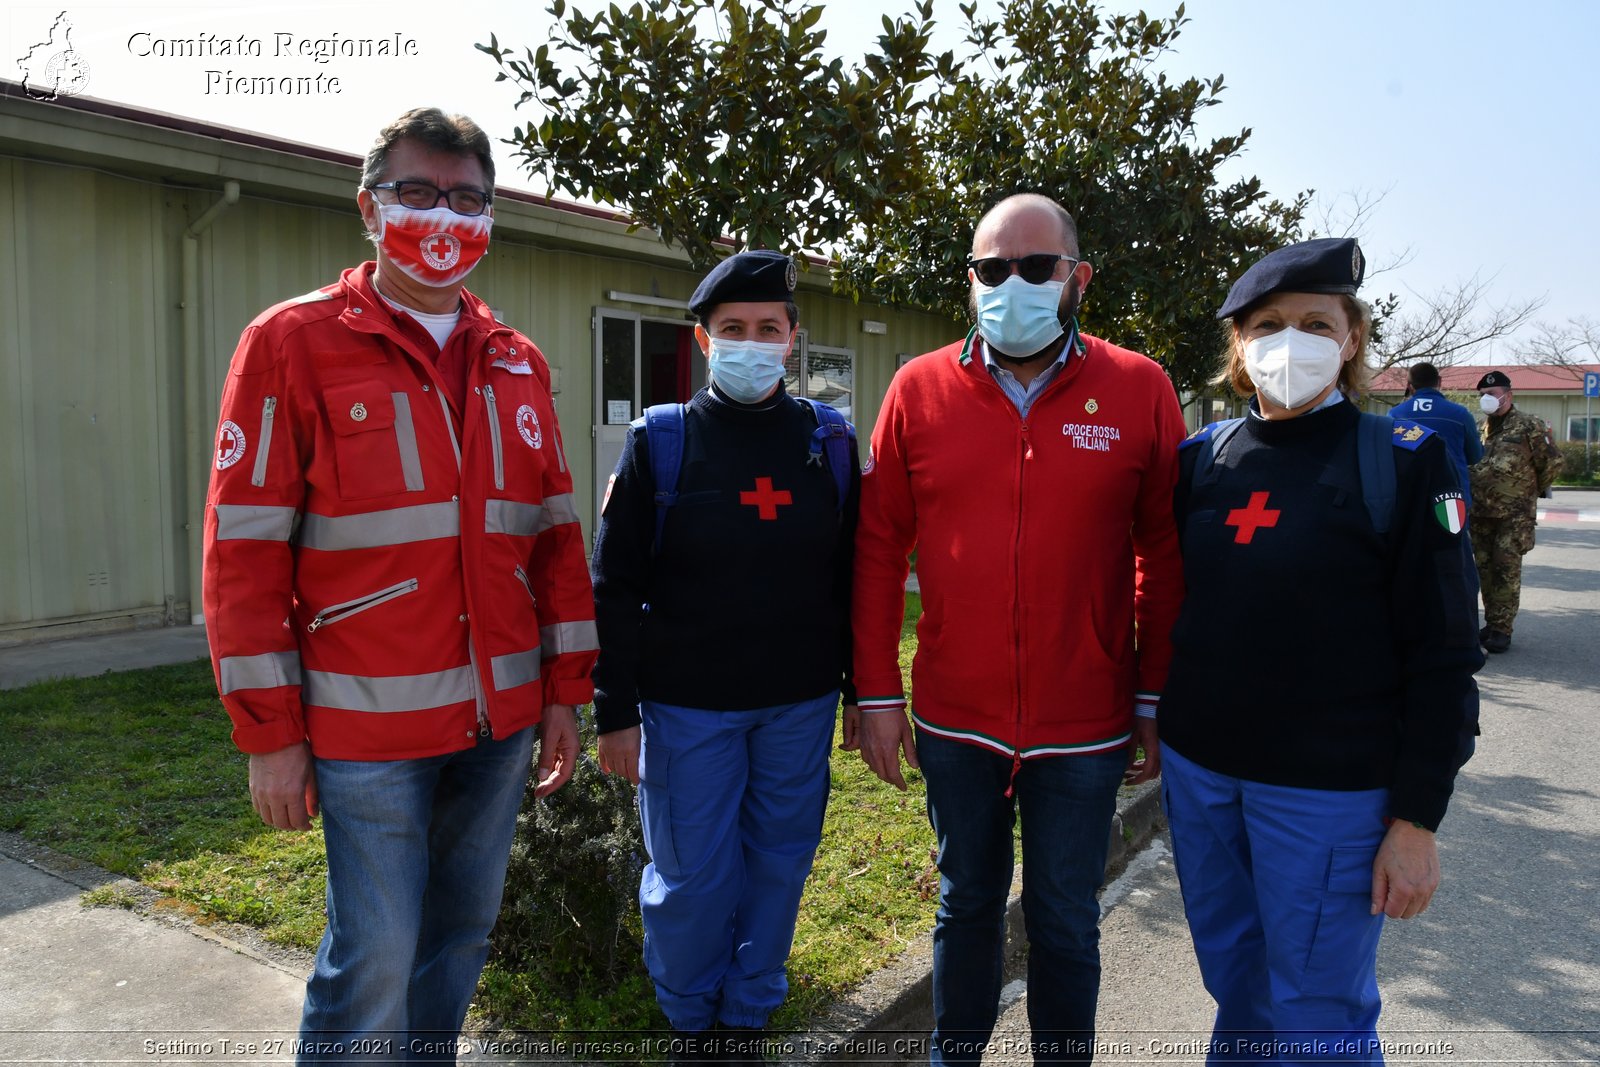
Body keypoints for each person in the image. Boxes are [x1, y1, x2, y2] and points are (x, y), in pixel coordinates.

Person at [202, 107, 597, 1063]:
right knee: (372, 958)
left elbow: (552, 544)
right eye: (417, 192)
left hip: (497, 728)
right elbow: (243, 553)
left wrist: (563, 693)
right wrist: (270, 734)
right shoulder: (290, 344)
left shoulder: (517, 362)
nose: (444, 216)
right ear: (369, 208)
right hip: (365, 732)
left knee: (457, 942)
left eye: (467, 198)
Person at [852, 193, 1186, 1065]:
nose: (1013, 283)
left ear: (1077, 277)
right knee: (965, 907)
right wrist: (878, 693)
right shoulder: (917, 388)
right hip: (957, 718)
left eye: (1035, 266)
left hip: (1087, 721)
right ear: (971, 281)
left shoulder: (1139, 387)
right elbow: (879, 547)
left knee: (1066, 918)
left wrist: (1153, 692)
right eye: (991, 269)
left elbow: (1164, 550)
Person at [1159, 237, 1483, 1065]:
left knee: (1318, 1015)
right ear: (1239, 346)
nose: (1289, 341)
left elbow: (1445, 652)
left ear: (1350, 338)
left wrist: (1416, 817)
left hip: (1328, 794)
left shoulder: (1405, 463)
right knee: (1237, 988)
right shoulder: (1205, 460)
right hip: (1204, 776)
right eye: (1267, 324)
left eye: (1314, 322)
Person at [589, 250, 860, 1063]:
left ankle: (747, 1015)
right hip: (686, 707)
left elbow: (855, 575)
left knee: (779, 864)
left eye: (767, 329)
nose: (752, 342)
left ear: (792, 339)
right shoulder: (661, 442)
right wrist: (616, 712)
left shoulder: (831, 443)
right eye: (732, 329)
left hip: (799, 704)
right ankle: (690, 1019)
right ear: (704, 340)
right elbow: (612, 585)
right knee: (691, 877)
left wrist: (859, 692)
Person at [1470, 370, 1563, 653]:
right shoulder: (1479, 428)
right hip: (1481, 512)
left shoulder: (1528, 425)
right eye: (1483, 395)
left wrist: (1528, 491)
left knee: (1505, 569)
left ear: (1508, 396)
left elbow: (1553, 463)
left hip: (1514, 515)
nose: (1487, 399)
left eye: (1493, 394)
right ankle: (1491, 622)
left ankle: (1502, 629)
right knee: (1484, 569)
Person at [1391, 362, 1484, 510]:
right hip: (1451, 497)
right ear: (1439, 381)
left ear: (1409, 386)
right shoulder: (1460, 414)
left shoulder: (1395, 415)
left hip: (1409, 497)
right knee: (1453, 532)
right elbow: (1475, 456)